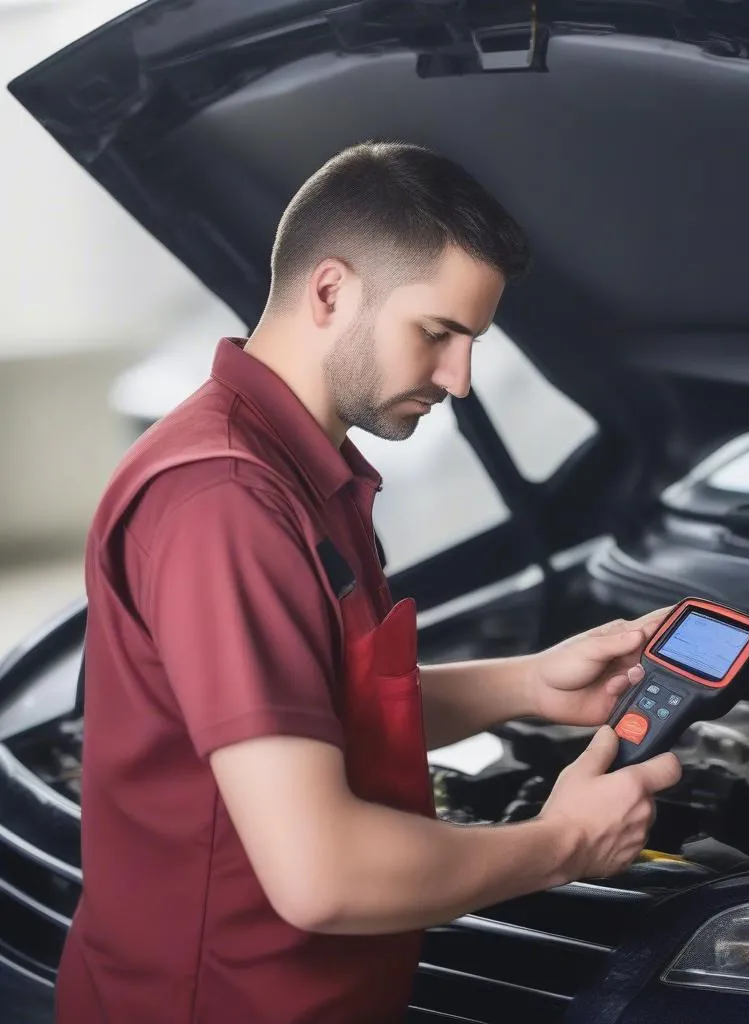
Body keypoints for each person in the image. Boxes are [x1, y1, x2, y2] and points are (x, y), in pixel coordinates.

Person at [55, 141, 682, 1024]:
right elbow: (321, 877)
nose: (460, 380)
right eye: (438, 333)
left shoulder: (298, 471)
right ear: (331, 291)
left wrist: (532, 684)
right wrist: (566, 841)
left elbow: (327, 706)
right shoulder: (227, 504)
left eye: (472, 344)